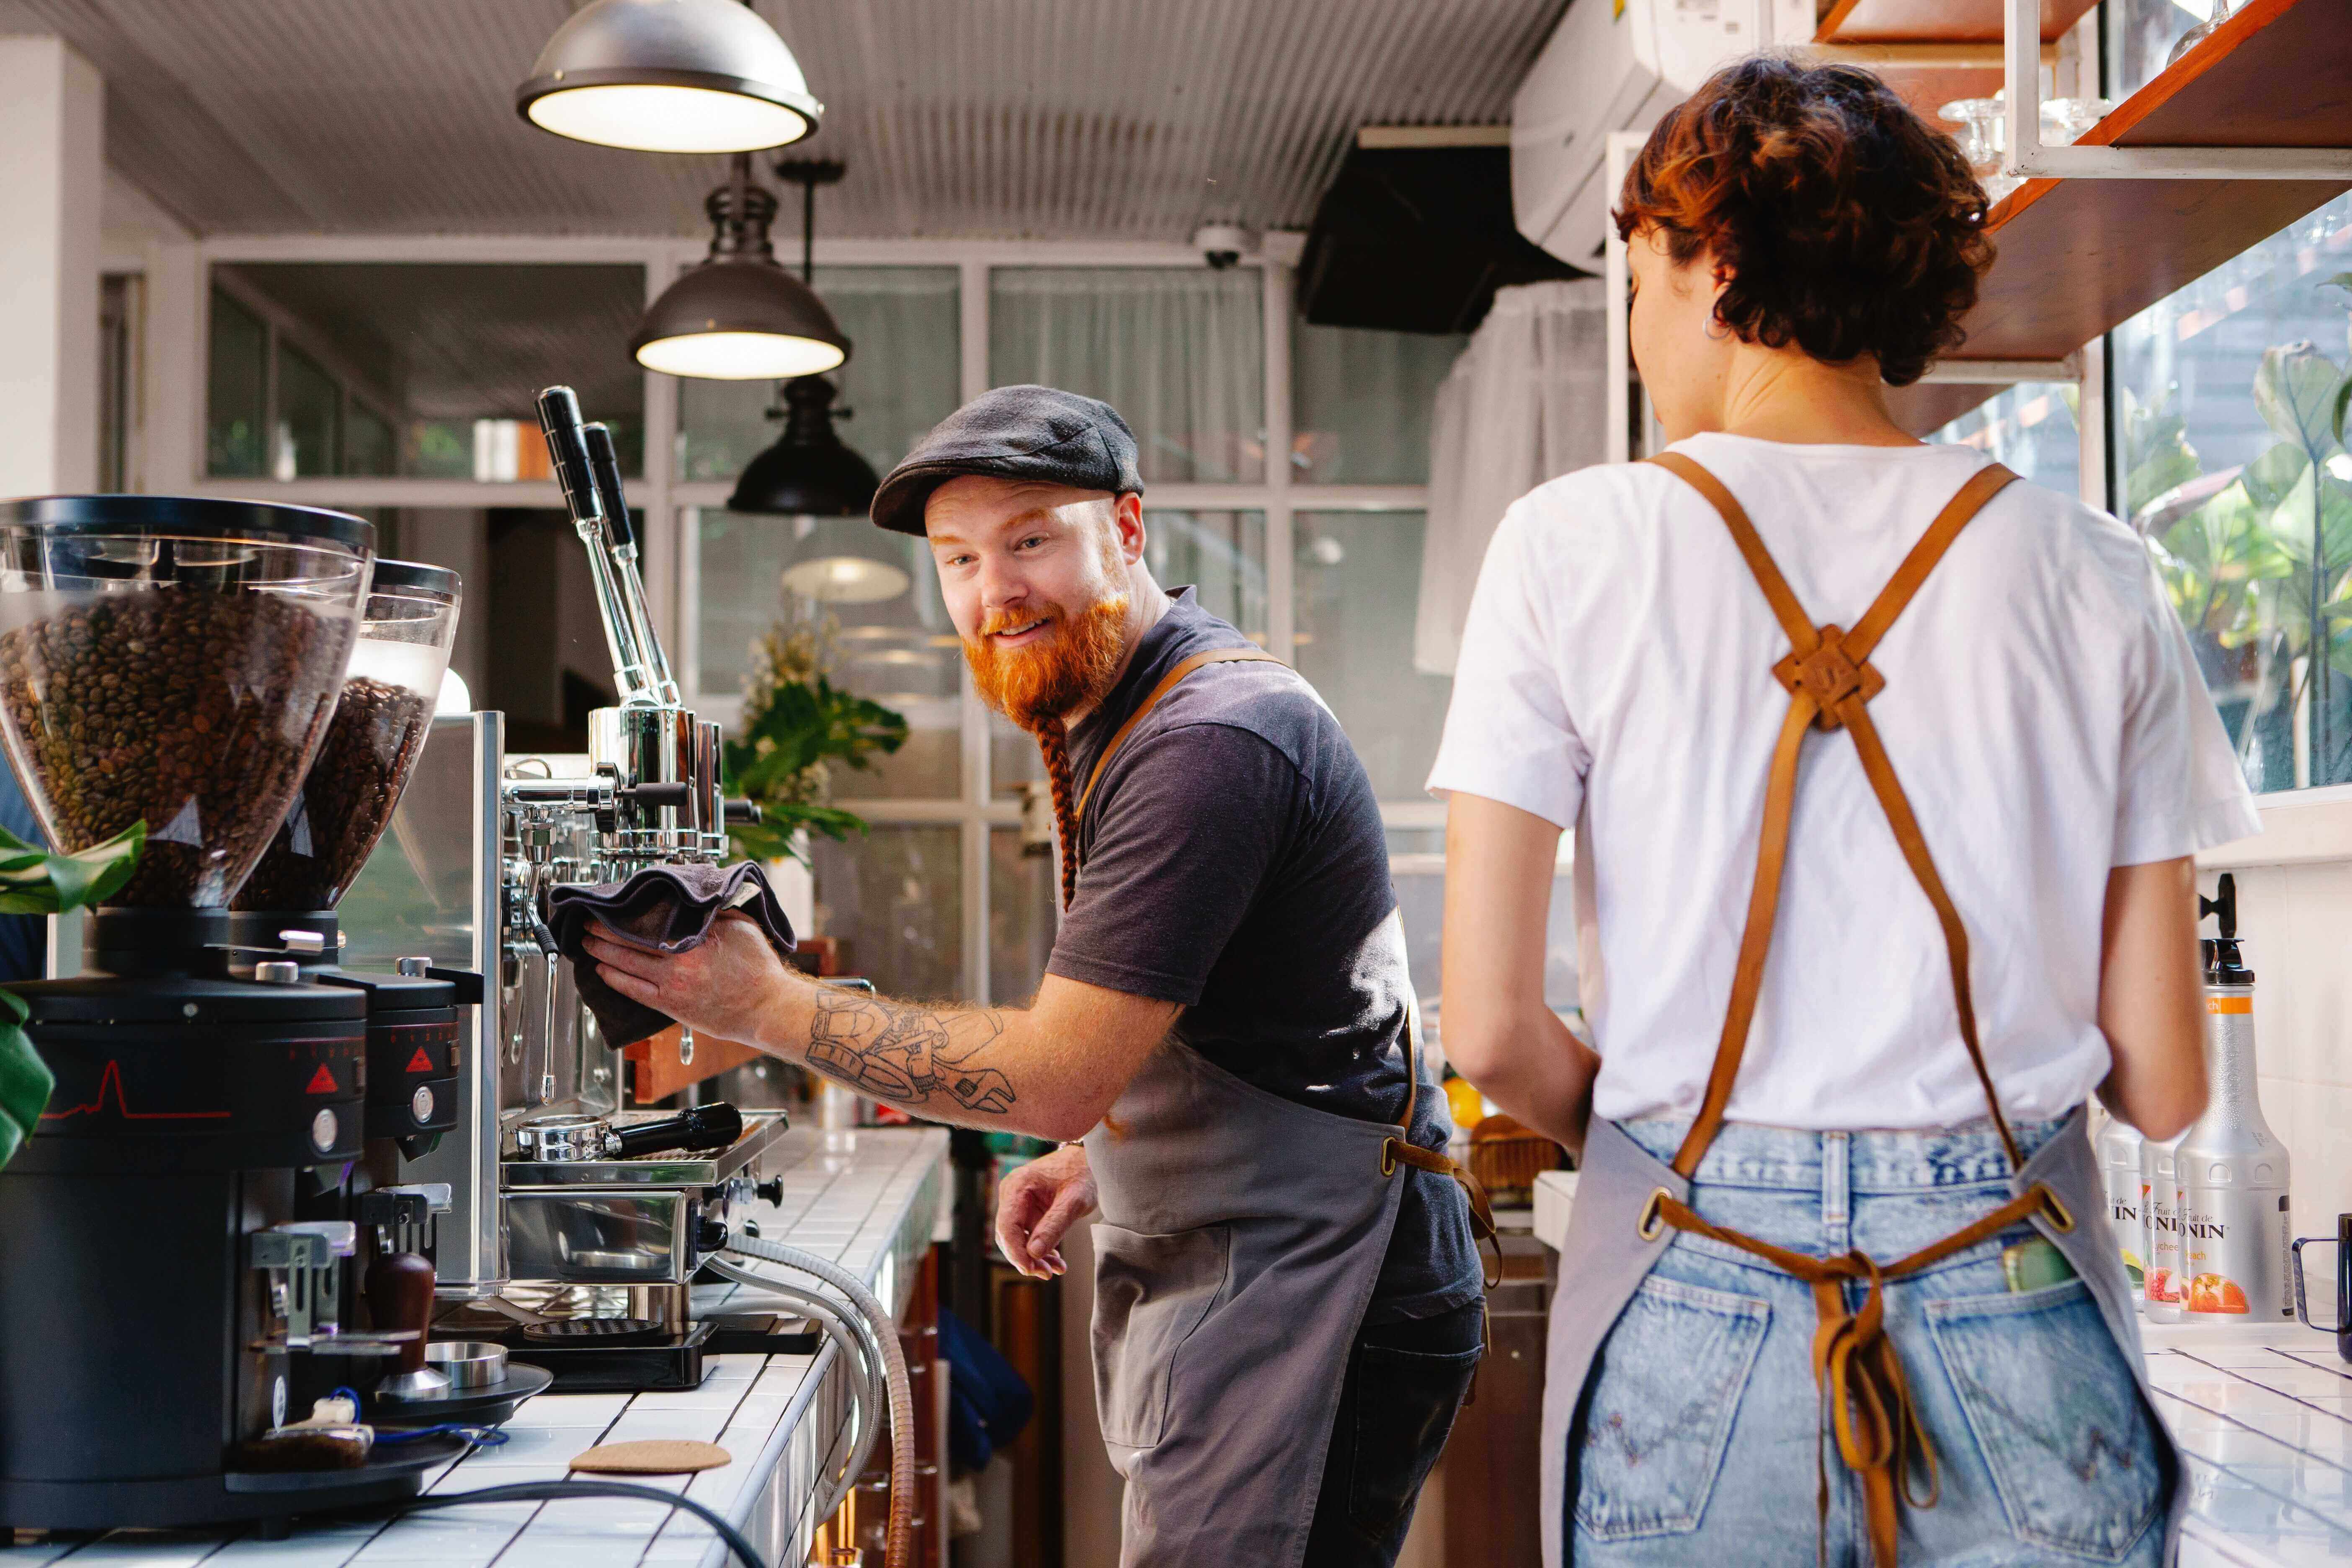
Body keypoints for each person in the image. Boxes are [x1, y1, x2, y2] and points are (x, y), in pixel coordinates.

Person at [1429, 58, 2256, 1568]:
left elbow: (1488, 1030)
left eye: (1636, 281)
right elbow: (2166, 1087)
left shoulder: (1568, 545)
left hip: (1693, 1280)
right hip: (2014, 1273)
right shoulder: (2094, 568)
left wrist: (1664, 1156)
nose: (1634, 330)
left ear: (1716, 265)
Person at [584, 384, 1488, 1568]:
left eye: (1029, 541)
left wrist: (766, 1003)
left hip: (1321, 1287)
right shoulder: (1119, 706)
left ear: (1127, 529)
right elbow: (1242, 1020)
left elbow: (1059, 1073)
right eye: (958, 558)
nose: (992, 593)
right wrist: (1101, 1152)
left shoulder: (1209, 740)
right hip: (1263, 1260)